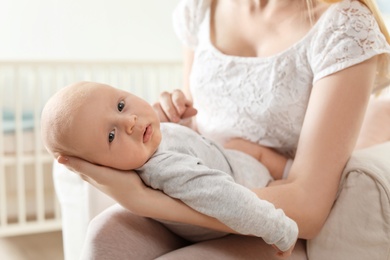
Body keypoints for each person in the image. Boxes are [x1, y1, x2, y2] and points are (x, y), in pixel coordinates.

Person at [57, 0, 390, 259]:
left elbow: (309, 208)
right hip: (204, 178)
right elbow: (203, 124)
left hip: (270, 221)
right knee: (104, 237)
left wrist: (145, 200)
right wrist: (174, 121)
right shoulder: (203, 8)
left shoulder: (344, 26)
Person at [41, 81, 298, 256]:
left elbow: (180, 141)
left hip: (230, 159)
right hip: (248, 188)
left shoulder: (147, 138)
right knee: (263, 163)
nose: (129, 121)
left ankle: (290, 172)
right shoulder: (166, 169)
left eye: (120, 105)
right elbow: (229, 200)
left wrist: (174, 116)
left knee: (242, 146)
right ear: (98, 168)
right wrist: (278, 227)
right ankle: (289, 175)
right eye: (110, 135)